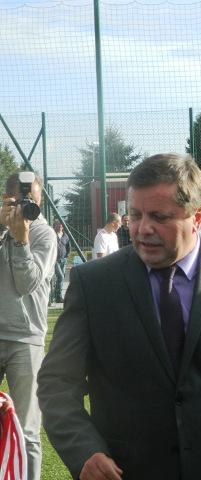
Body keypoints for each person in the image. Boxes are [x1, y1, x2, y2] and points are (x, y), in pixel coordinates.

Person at [38, 153, 201, 480]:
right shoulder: (93, 284)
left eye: (159, 217)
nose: (143, 228)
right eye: (135, 215)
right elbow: (57, 383)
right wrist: (84, 451)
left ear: (197, 217)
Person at [0, 171, 57, 480]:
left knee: (27, 431)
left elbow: (28, 284)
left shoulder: (44, 234)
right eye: (19, 202)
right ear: (6, 200)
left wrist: (21, 238)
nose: (26, 209)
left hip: (26, 338)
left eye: (31, 201)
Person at [51, 220, 70, 304]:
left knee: (61, 278)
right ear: (54, 226)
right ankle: (57, 296)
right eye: (58, 225)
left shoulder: (65, 235)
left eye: (61, 225)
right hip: (55, 260)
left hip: (63, 259)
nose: (60, 226)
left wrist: (66, 255)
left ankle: (57, 296)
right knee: (61, 277)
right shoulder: (52, 235)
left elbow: (68, 246)